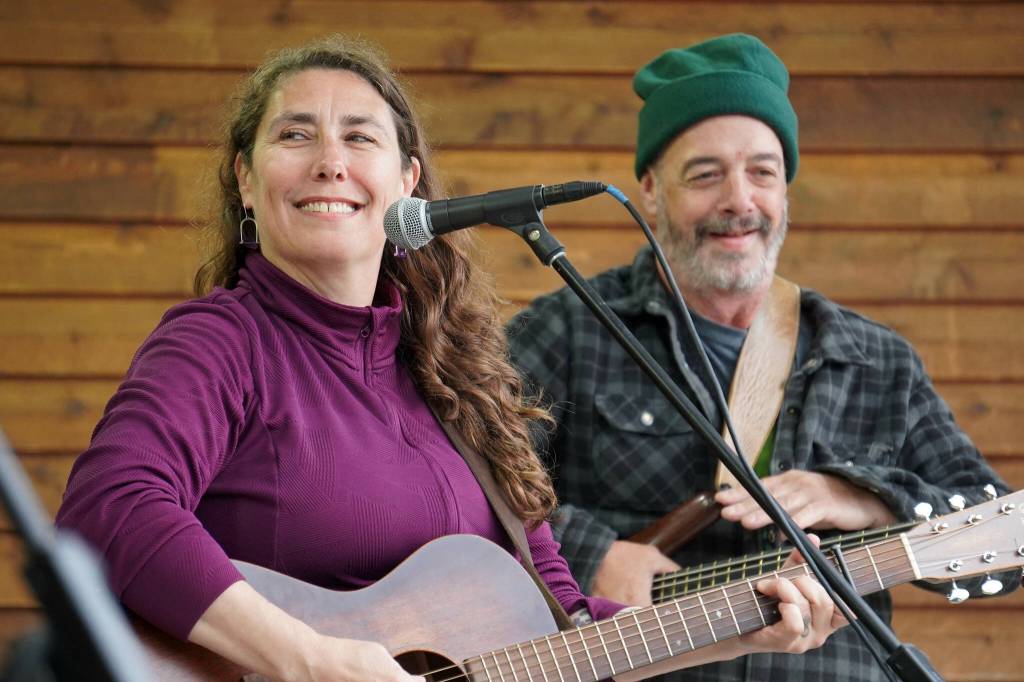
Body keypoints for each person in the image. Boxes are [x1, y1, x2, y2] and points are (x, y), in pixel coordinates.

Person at [54, 35, 839, 682]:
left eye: (360, 137)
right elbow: (109, 509)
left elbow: (562, 627)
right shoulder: (222, 340)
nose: (331, 160)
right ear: (246, 181)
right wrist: (313, 660)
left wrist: (737, 631)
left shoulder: (456, 383)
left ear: (406, 184)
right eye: (296, 134)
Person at [507, 33, 1012, 682]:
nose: (739, 202)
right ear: (652, 191)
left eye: (762, 172)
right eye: (706, 174)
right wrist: (592, 553)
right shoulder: (567, 329)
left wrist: (865, 499)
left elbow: (1000, 542)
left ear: (785, 190)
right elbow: (458, 490)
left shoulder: (874, 358)